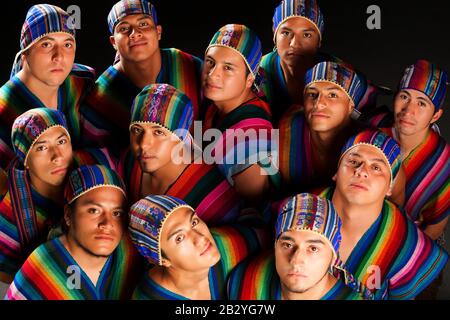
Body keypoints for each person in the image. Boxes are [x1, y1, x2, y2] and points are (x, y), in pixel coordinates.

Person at [320, 129, 448, 299]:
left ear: (390, 187)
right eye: (354, 161)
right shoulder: (297, 208)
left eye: (376, 167)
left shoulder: (410, 246)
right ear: (336, 173)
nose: (362, 171)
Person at [80, 0, 202, 153]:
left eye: (143, 24)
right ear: (113, 42)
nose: (135, 33)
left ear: (158, 32)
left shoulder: (186, 65)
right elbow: (98, 159)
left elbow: (216, 115)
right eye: (124, 28)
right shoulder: (100, 98)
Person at [5, 165, 142, 300]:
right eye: (94, 210)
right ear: (68, 215)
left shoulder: (128, 255)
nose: (107, 224)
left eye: (116, 213)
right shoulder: (43, 269)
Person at [278, 61, 405, 206]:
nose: (319, 103)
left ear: (351, 105)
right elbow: (263, 185)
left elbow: (395, 209)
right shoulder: (287, 124)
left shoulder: (376, 148)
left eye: (332, 95)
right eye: (312, 94)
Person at [119, 84, 243, 225]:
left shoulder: (212, 196)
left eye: (158, 132)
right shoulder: (129, 162)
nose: (143, 144)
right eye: (137, 130)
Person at [260, 0, 391, 125]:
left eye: (306, 35)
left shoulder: (341, 74)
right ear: (275, 35)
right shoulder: (256, 71)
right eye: (286, 33)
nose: (294, 43)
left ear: (319, 42)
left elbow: (376, 125)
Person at [0, 4, 96, 171]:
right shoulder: (4, 109)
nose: (59, 57)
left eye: (67, 45)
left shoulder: (81, 81)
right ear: (25, 54)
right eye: (46, 45)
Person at [228, 193, 372, 300]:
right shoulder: (244, 281)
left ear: (333, 255)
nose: (296, 260)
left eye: (313, 248)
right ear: (275, 246)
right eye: (288, 244)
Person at [128, 195, 268, 300]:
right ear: (162, 260)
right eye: (179, 238)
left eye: (194, 222)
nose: (200, 238)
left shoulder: (229, 245)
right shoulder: (147, 296)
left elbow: (266, 235)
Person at [201, 24, 276, 203]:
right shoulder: (221, 101)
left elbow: (252, 205)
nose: (212, 74)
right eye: (210, 62)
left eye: (228, 68)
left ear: (250, 79)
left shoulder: (248, 139)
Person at [0, 108, 73, 283]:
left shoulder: (89, 167)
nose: (57, 156)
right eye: (42, 147)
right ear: (25, 159)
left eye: (61, 141)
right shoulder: (8, 219)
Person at [383, 60, 449, 241]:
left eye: (422, 103)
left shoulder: (444, 163)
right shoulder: (374, 129)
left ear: (436, 115)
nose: (408, 110)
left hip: (412, 247)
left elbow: (434, 228)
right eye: (404, 97)